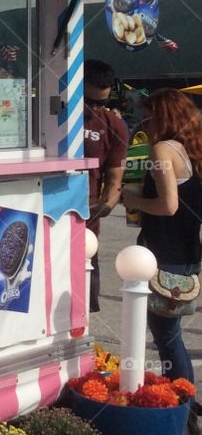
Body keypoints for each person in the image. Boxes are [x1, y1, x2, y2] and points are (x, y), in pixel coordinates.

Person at [120, 89, 202, 435]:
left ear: (163, 116)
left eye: (149, 115)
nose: (144, 122)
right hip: (186, 253)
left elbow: (167, 205)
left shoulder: (162, 151)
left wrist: (132, 197)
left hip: (162, 252)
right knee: (171, 337)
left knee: (168, 341)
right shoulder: (192, 150)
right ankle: (187, 412)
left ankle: (183, 418)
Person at [83, 60, 128, 312]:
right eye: (90, 101)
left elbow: (114, 176)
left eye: (102, 103)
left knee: (85, 299)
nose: (96, 108)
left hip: (87, 223)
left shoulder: (113, 124)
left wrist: (107, 204)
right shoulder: (47, 113)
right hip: (42, 213)